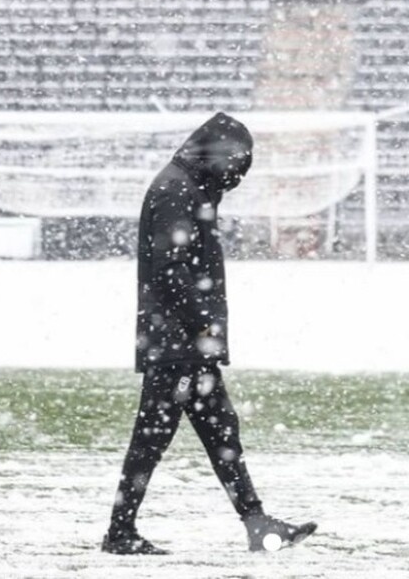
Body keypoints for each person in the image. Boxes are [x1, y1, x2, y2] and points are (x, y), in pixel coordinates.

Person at [101, 112, 317, 555]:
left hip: (184, 344)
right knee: (154, 437)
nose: (237, 173)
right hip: (179, 346)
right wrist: (202, 323)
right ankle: (120, 532)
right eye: (235, 162)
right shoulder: (177, 189)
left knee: (221, 431)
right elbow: (171, 270)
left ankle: (257, 522)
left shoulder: (187, 185)